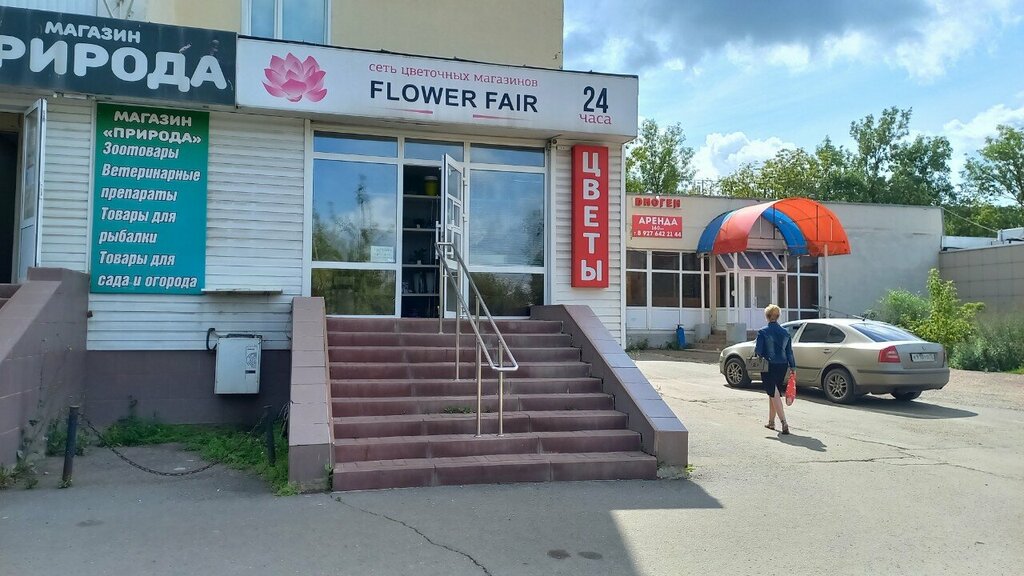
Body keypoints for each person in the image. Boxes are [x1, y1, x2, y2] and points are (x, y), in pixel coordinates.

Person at [754, 304, 796, 435]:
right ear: (778, 317)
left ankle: (784, 421)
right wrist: (793, 367)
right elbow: (789, 352)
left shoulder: (763, 332)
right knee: (773, 392)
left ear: (767, 316)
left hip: (768, 365)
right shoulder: (785, 332)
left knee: (773, 392)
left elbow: (758, 351)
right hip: (783, 365)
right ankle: (771, 422)